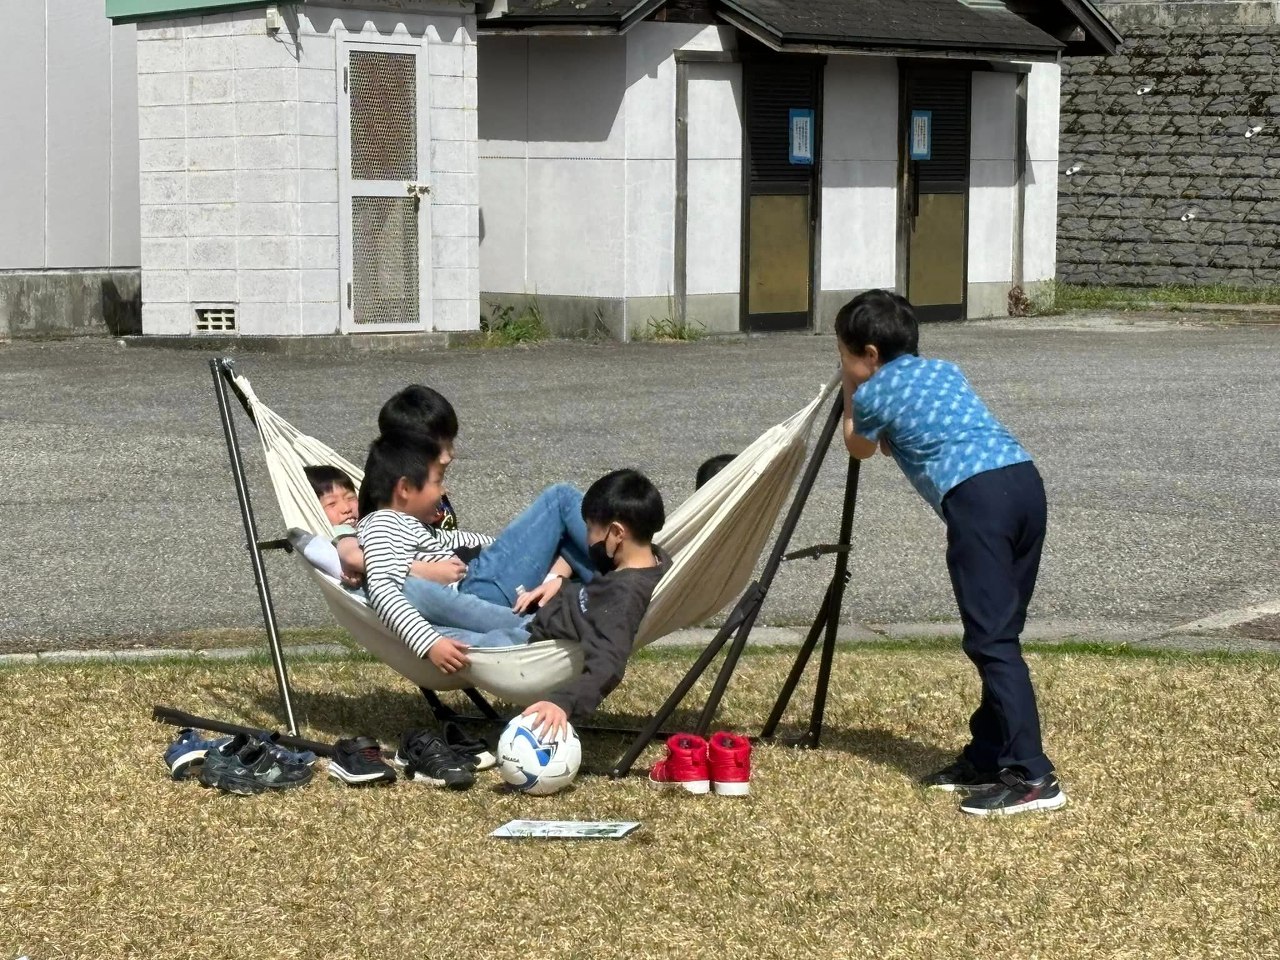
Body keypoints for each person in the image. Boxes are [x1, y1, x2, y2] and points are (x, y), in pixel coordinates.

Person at [834, 289, 1064, 818]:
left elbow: (858, 445)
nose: (842, 362)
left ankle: (1033, 776)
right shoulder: (944, 370)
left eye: (843, 353)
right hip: (1023, 483)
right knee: (1001, 631)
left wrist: (851, 387)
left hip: (977, 501)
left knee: (991, 640)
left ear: (869, 354)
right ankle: (988, 755)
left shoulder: (873, 390)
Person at [355, 435, 599, 673]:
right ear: (405, 488)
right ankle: (615, 577)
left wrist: (522, 544)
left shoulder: (410, 526)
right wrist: (428, 642)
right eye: (437, 482)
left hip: (485, 584)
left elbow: (471, 541)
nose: (443, 490)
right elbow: (382, 588)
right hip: (479, 588)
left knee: (563, 536)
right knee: (560, 499)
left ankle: (604, 587)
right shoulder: (383, 524)